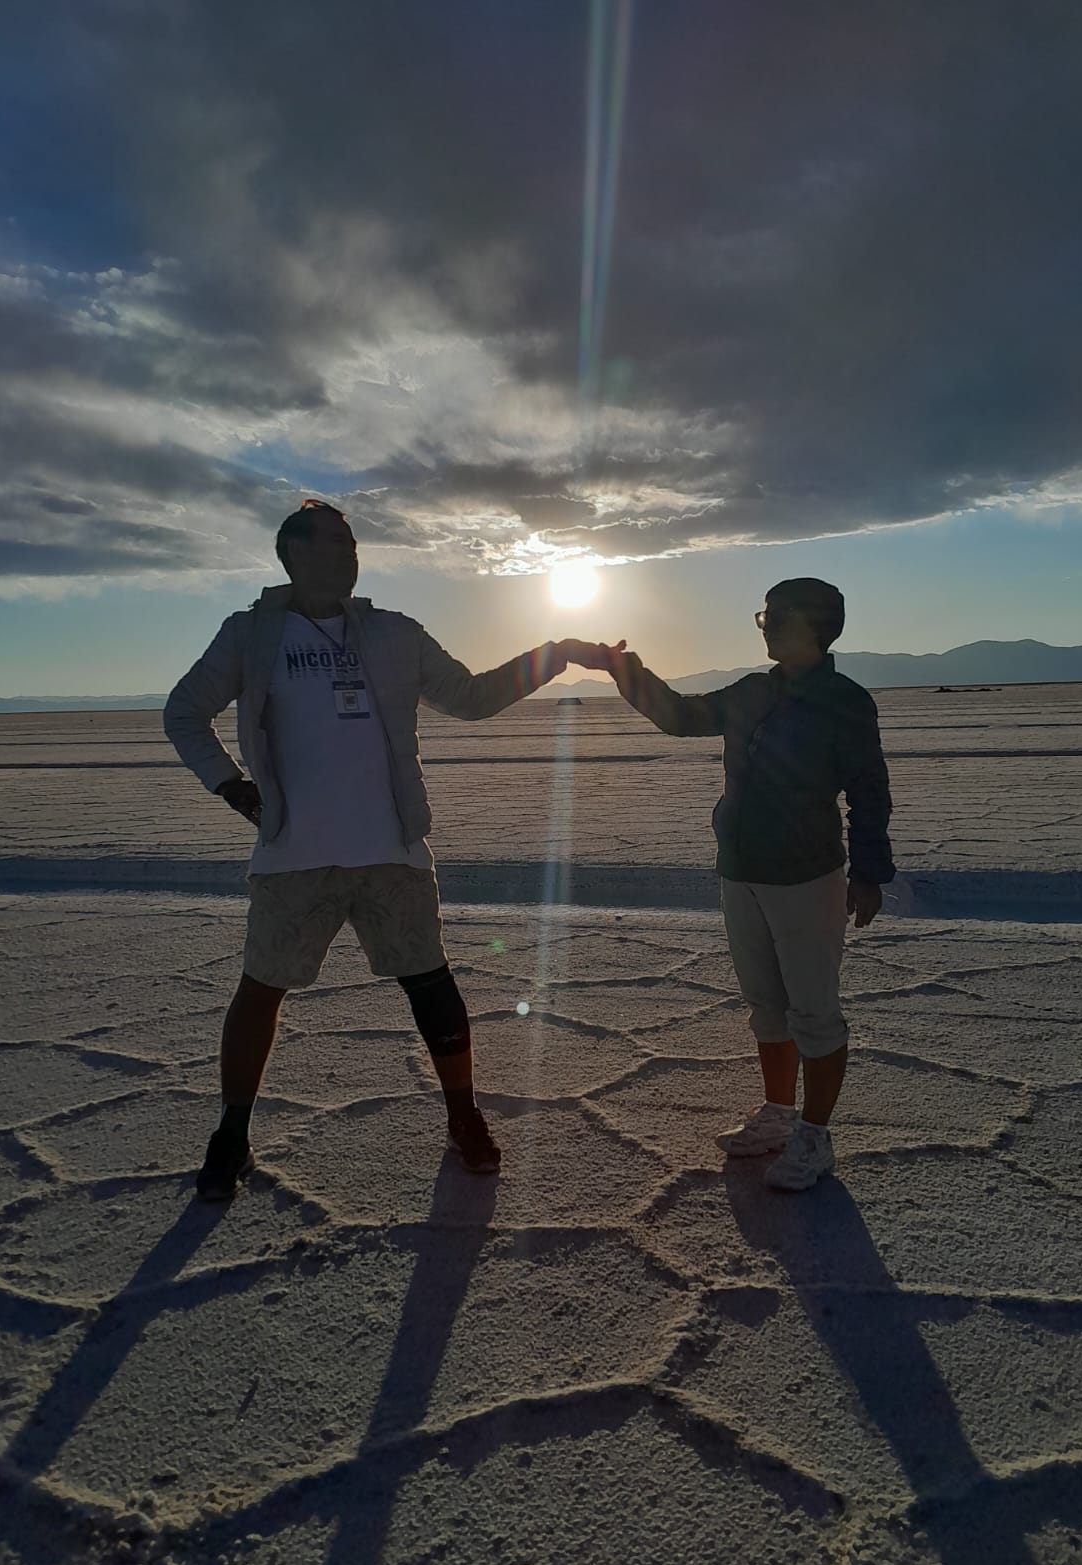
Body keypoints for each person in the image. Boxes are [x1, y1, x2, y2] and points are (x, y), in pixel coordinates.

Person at [164, 499, 603, 1200]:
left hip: (390, 848)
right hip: (293, 854)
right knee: (261, 989)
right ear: (294, 554)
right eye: (334, 543)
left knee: (431, 983)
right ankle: (232, 1134)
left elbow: (473, 696)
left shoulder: (395, 635)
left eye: (353, 543)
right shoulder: (251, 636)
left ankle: (464, 1117)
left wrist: (559, 655)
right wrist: (231, 786)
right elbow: (183, 712)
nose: (349, 555)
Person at [592, 577, 894, 1190]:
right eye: (766, 615)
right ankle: (779, 1115)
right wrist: (628, 672)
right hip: (741, 869)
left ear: (819, 624)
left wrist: (869, 873)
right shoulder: (752, 690)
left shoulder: (844, 700)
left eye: (781, 615)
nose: (769, 625)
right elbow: (681, 717)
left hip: (807, 874)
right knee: (766, 1005)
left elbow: (868, 792)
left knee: (813, 1011)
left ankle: (814, 1138)